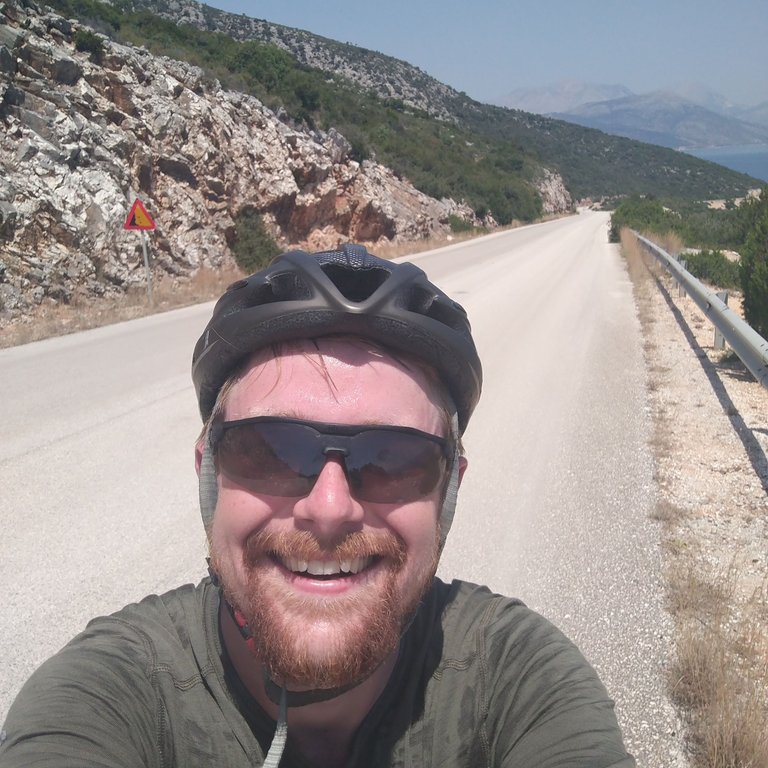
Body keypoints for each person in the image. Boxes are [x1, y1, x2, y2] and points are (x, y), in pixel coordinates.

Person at [0, 245, 635, 767]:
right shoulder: (111, 693)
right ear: (208, 473)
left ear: (449, 490)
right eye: (270, 451)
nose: (329, 509)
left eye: (392, 459)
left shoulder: (517, 680)